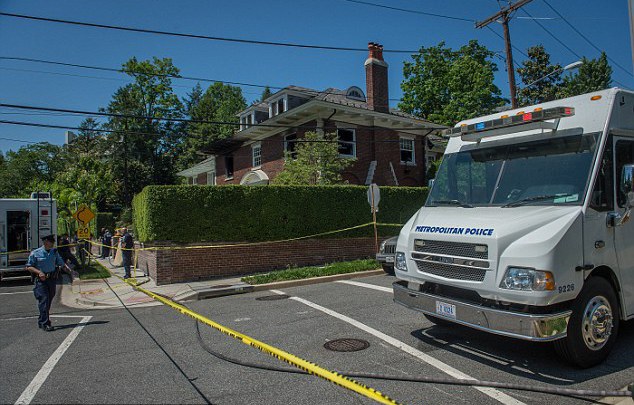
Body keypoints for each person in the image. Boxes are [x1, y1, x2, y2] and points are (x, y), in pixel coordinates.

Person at [26, 234, 72, 332]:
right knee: (44, 300)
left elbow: (60, 263)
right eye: (51, 242)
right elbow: (29, 266)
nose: (53, 243)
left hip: (52, 279)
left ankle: (41, 320)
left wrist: (68, 269)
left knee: (48, 300)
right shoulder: (35, 253)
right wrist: (39, 272)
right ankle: (45, 323)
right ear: (46, 242)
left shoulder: (54, 252)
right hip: (41, 281)